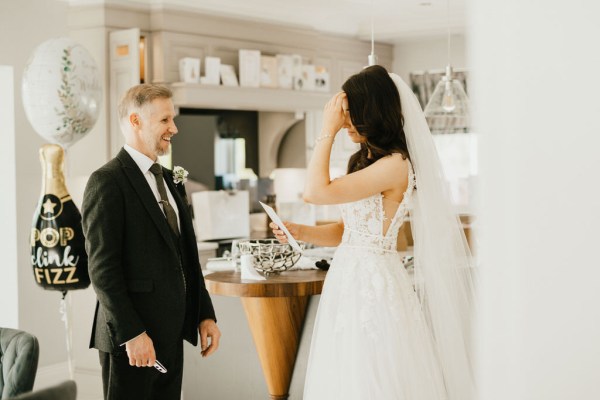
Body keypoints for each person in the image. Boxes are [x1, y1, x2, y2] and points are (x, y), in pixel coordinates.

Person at [270, 65, 475, 399]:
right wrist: (299, 230)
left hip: (374, 284)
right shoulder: (363, 160)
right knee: (345, 373)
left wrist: (326, 130)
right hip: (347, 279)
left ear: (373, 112)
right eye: (344, 115)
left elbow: (314, 192)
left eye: (352, 114)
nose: (346, 122)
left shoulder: (395, 164)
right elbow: (348, 232)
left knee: (373, 375)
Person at [82, 83, 221, 400]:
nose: (174, 128)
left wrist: (204, 314)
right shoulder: (107, 182)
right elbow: (103, 270)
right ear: (135, 121)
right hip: (130, 339)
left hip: (170, 335)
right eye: (164, 120)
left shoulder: (171, 179)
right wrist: (133, 333)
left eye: (173, 119)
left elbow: (185, 257)